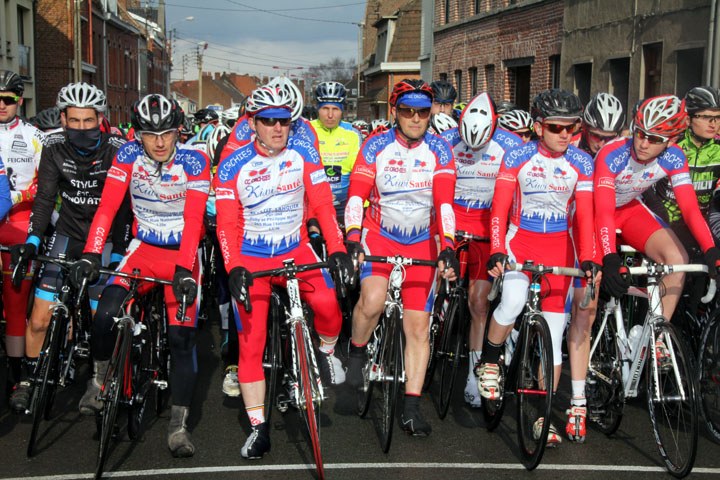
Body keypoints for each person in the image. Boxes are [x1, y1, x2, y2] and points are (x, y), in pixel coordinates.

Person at [213, 85, 353, 459]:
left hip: (294, 248)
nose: (278, 127)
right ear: (253, 123)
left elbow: (323, 205)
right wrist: (234, 267)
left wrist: (337, 249)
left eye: (284, 121)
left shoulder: (304, 152)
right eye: (269, 121)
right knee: (251, 340)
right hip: (252, 255)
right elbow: (225, 225)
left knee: (328, 304)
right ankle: (259, 428)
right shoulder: (233, 164)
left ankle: (324, 353)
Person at [70, 94, 209, 457]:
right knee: (104, 315)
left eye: (166, 133)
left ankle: (178, 427)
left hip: (183, 255)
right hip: (142, 251)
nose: (160, 142)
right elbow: (106, 209)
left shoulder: (196, 160)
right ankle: (99, 381)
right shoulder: (127, 156)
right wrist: (90, 253)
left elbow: (194, 218)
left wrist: (184, 269)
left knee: (181, 341)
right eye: (150, 134)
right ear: (137, 135)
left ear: (179, 131)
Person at [478, 89, 595, 446]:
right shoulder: (517, 156)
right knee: (512, 300)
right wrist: (498, 250)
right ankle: (491, 361)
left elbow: (586, 219)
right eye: (557, 127)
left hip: (561, 247)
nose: (565, 135)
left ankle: (544, 415)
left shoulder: (582, 162)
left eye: (572, 129)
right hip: (521, 239)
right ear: (540, 126)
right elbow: (498, 210)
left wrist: (588, 257)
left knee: (555, 337)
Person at [344, 78, 458, 437]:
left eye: (422, 111)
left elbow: (443, 204)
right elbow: (355, 196)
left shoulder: (440, 151)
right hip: (379, 235)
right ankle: (358, 351)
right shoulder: (375, 146)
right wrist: (351, 237)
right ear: (395, 112)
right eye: (407, 111)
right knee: (373, 301)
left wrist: (448, 246)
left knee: (418, 327)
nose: (415, 118)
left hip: (421, 240)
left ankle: (410, 406)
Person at [9, 82, 129, 413]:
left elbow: (122, 208)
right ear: (63, 118)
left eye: (87, 121)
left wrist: (118, 250)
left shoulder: (116, 149)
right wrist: (33, 241)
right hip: (66, 234)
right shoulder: (54, 147)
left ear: (100, 120)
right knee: (38, 320)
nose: (79, 127)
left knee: (100, 319)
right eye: (73, 120)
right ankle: (30, 381)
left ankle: (102, 380)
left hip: (102, 240)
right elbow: (45, 199)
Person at [595, 95, 720, 324]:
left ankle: (655, 334)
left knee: (677, 258)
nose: (643, 144)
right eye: (640, 133)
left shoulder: (674, 157)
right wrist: (611, 258)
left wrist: (711, 249)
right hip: (594, 212)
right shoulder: (611, 154)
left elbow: (690, 209)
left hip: (628, 209)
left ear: (671, 141)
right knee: (593, 284)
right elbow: (602, 212)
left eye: (654, 139)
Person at [439, 92, 522, 408]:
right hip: (453, 221)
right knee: (434, 280)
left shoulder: (511, 146)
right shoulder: (446, 141)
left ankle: (475, 375)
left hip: (489, 226)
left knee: (477, 302)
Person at [563, 92, 626, 443]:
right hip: (569, 233)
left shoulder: (622, 151)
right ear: (584, 128)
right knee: (570, 313)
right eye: (597, 136)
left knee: (585, 316)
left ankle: (580, 401)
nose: (602, 144)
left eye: (610, 138)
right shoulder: (570, 146)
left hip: (602, 228)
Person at [0, 70, 45, 394]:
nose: (1, 105)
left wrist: (19, 196)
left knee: (16, 304)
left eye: (7, 99)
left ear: (19, 99)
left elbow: (47, 183)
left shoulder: (34, 135)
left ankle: (18, 375)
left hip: (19, 222)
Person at [309, 81, 362, 223]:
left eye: (335, 109)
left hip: (344, 209)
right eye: (325, 108)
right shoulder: (306, 130)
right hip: (313, 210)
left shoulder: (353, 133)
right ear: (317, 109)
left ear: (342, 110)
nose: (330, 115)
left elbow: (360, 175)